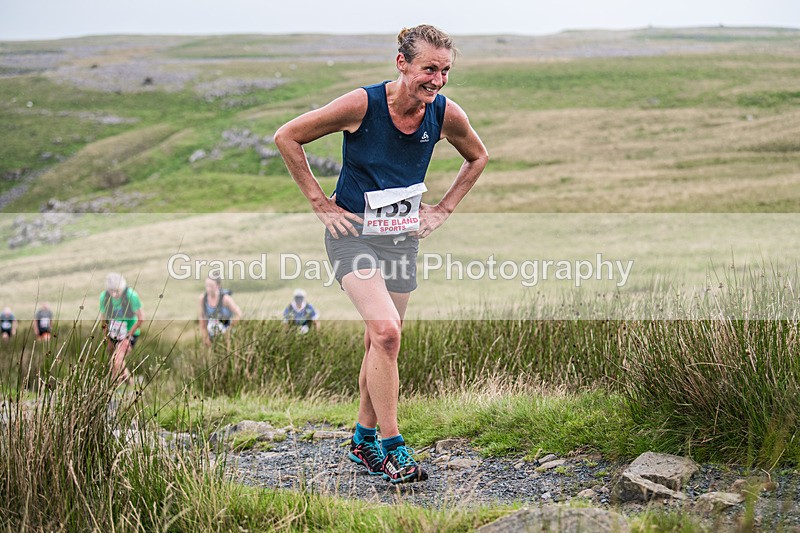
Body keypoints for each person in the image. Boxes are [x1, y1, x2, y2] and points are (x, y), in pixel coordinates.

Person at [274, 24, 488, 484]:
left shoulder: (446, 113)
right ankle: (394, 449)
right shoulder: (362, 105)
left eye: (445, 71)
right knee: (388, 333)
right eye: (429, 69)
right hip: (352, 234)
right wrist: (320, 204)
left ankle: (362, 441)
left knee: (379, 342)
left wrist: (443, 210)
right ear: (402, 63)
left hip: (401, 238)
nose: (438, 80)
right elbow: (287, 137)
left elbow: (478, 157)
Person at [99, 273, 144, 385]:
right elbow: (103, 320)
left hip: (129, 333)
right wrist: (107, 339)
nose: (114, 294)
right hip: (113, 333)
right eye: (111, 291)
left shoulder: (131, 296)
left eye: (117, 291)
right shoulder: (104, 297)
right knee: (118, 360)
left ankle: (112, 387)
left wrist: (128, 336)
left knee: (116, 359)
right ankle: (131, 383)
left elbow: (141, 318)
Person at [199, 275, 242, 346]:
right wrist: (205, 336)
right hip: (211, 335)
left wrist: (229, 331)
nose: (208, 289)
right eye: (207, 286)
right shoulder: (203, 299)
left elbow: (239, 314)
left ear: (218, 286)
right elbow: (202, 317)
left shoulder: (226, 299)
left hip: (227, 335)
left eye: (211, 286)